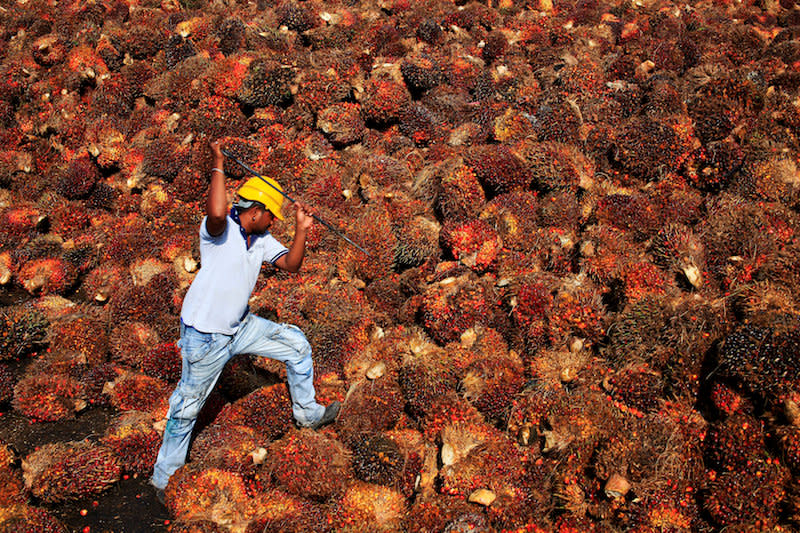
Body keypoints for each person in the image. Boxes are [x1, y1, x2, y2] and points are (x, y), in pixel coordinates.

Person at [150, 139, 339, 496]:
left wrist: (301, 229)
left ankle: (308, 413)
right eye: (272, 215)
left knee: (296, 344)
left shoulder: (262, 239)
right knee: (187, 407)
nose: (273, 222)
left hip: (240, 327)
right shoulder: (219, 232)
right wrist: (218, 163)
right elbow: (218, 212)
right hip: (204, 337)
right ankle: (164, 478)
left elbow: (292, 266)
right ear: (256, 210)